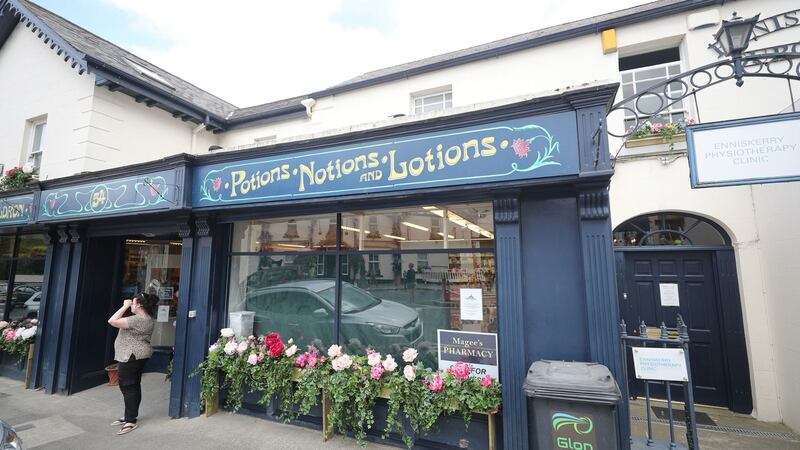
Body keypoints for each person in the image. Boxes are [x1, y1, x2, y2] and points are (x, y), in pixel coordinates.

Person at [107, 292, 157, 435]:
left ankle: (130, 420)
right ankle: (130, 416)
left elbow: (112, 321)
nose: (131, 305)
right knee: (132, 386)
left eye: (133, 303)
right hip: (134, 356)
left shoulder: (139, 319)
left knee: (128, 387)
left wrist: (124, 306)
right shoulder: (144, 318)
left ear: (139, 304)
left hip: (131, 356)